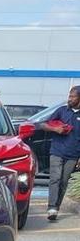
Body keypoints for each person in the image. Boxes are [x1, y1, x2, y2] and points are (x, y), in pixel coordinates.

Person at [39, 87, 80, 221]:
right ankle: (52, 208)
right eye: (69, 96)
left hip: (73, 154)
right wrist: (55, 129)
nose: (70, 99)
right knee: (55, 178)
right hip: (56, 151)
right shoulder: (61, 111)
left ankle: (56, 206)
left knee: (63, 181)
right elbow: (43, 125)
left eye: (73, 96)